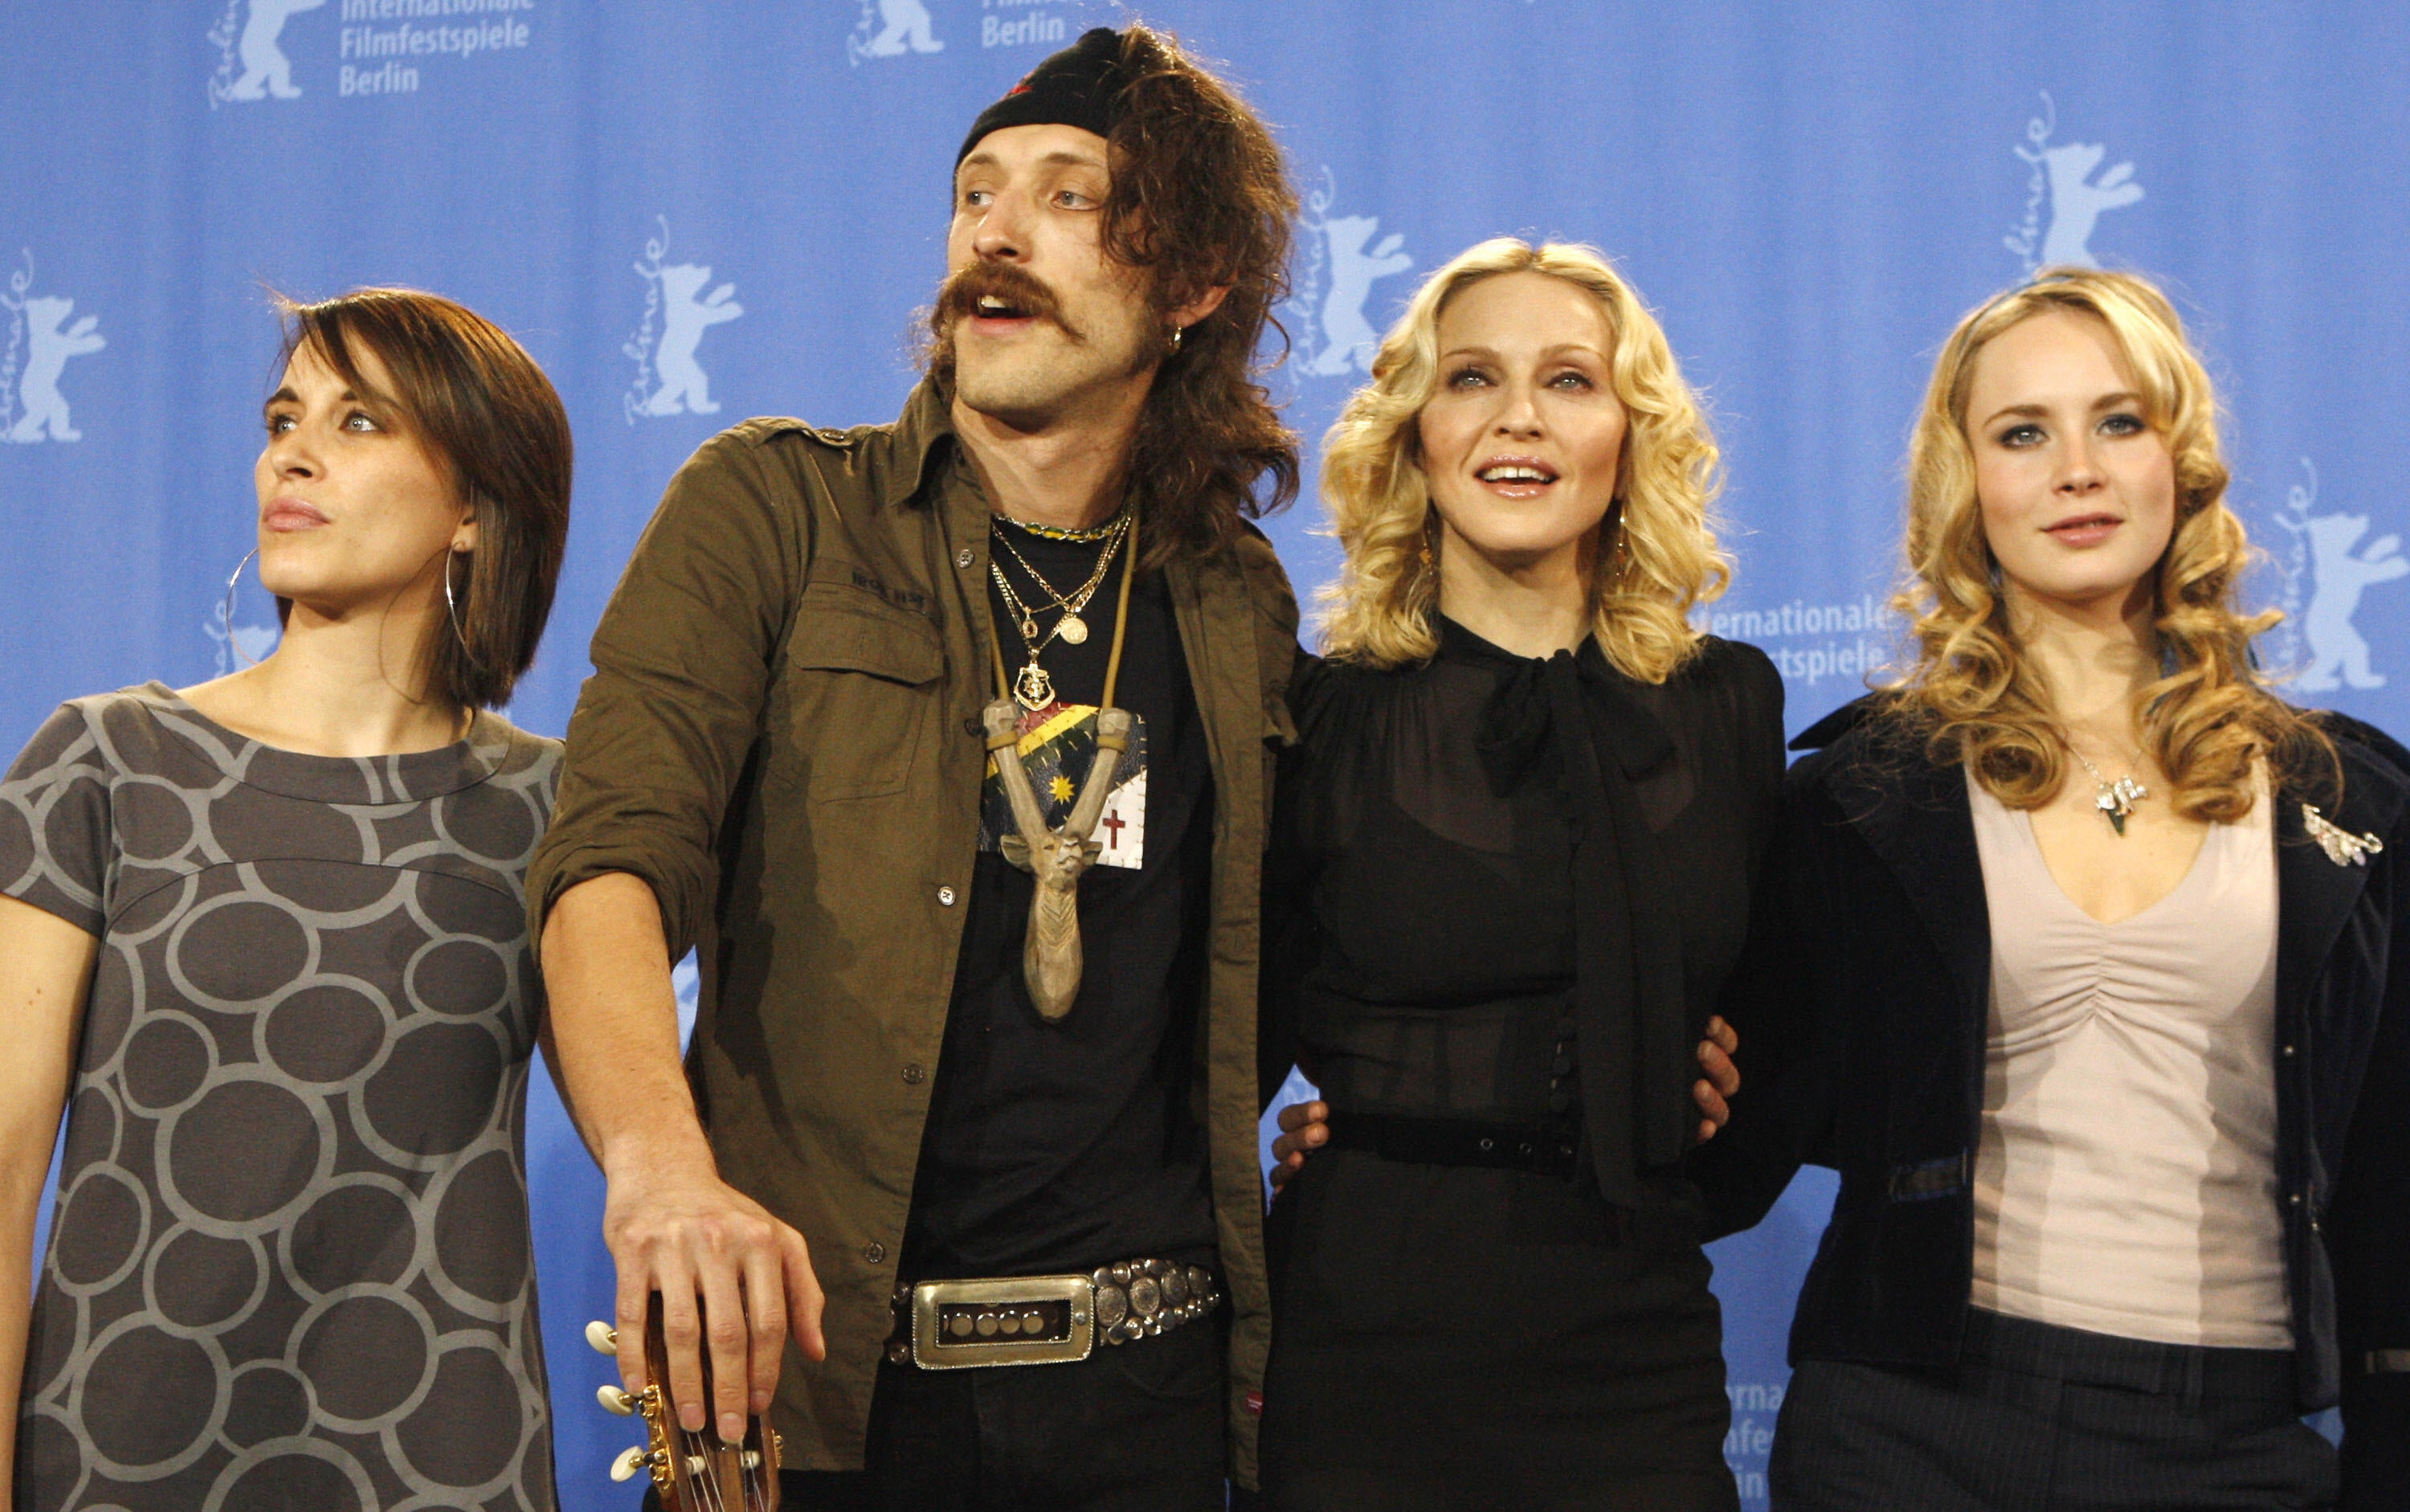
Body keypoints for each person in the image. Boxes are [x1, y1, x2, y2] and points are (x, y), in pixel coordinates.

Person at [528, 27, 1308, 1510]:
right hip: (810, 1405)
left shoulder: (1233, 600)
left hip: (1145, 1411)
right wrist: (660, 1169)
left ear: (1197, 282)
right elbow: (608, 863)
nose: (997, 238)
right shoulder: (772, 508)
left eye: (1073, 198)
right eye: (977, 194)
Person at [1716, 268, 2410, 1510]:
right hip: (1904, 1434)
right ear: (1968, 485)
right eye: (2023, 433)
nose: (2076, 468)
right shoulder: (1858, 793)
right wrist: (1425, 1120)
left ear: (2180, 462)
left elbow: (2394, 1178)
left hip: (2238, 1449)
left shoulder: (2353, 798)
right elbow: (1727, 1113)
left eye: (2119, 421)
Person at [0, 288, 574, 1511]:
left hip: (439, 1468)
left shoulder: (554, 807)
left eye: (361, 422)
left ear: (473, 505)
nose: (292, 454)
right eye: (283, 416)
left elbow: (665, 1138)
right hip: (120, 1464)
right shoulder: (104, 763)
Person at [1253, 239, 1778, 1512]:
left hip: (1635, 1337)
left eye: (1570, 381)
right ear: (1414, 433)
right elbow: (1221, 1044)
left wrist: (1709, 1093)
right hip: (1362, 1338)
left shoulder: (1728, 704)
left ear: (1630, 433)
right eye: (1473, 376)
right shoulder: (1319, 716)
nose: (1519, 418)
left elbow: (1785, 1026)